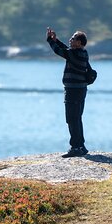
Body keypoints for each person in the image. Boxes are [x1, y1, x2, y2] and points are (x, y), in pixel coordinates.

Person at [46, 27, 90, 158]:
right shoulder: (81, 53)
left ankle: (75, 147)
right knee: (77, 118)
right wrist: (56, 40)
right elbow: (66, 50)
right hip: (80, 90)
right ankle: (81, 146)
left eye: (74, 38)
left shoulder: (74, 54)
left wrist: (50, 40)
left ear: (80, 43)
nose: (70, 39)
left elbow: (59, 51)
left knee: (71, 119)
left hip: (73, 91)